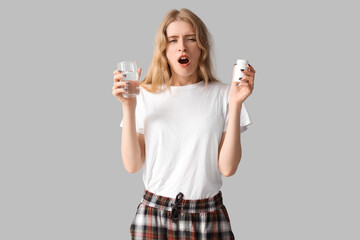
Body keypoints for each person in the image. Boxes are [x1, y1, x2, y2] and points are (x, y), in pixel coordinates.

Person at [112, 8, 256, 240]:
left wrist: (236, 102)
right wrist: (128, 105)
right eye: (173, 40)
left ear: (202, 47)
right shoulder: (145, 94)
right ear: (164, 49)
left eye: (191, 39)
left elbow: (228, 168)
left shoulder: (224, 95)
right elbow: (132, 164)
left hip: (207, 215)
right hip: (153, 214)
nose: (182, 47)